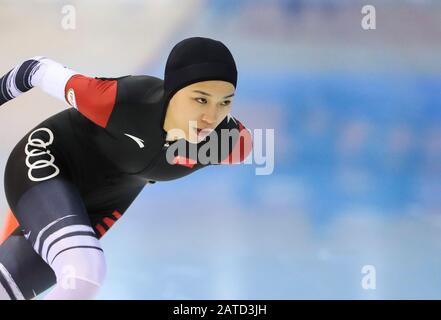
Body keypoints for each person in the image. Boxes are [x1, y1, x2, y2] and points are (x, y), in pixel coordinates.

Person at [0, 37, 252, 300]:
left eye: (225, 102)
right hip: (47, 160)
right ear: (173, 91)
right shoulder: (122, 101)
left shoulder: (228, 143)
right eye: (201, 100)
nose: (211, 117)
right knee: (84, 274)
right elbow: (35, 69)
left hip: (98, 205)